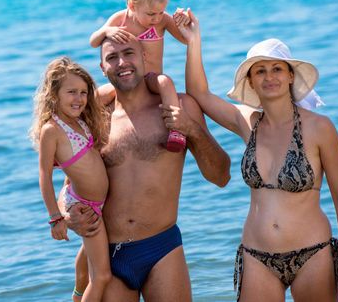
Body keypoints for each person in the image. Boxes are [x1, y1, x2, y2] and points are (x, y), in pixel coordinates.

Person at [180, 10, 338, 302]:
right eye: (260, 71)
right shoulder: (249, 124)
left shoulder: (320, 128)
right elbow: (200, 94)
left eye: (277, 69)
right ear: (251, 82)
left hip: (313, 253)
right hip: (257, 257)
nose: (269, 77)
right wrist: (193, 40)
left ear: (290, 75)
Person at [63, 35, 231, 301]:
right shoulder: (93, 121)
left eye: (129, 53)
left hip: (162, 249)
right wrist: (67, 213)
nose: (122, 63)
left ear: (144, 57)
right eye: (111, 58)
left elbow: (220, 176)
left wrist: (191, 130)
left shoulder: (179, 106)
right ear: (102, 69)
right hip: (109, 255)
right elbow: (70, 187)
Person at [29, 57, 111, 302]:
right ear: (54, 94)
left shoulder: (79, 121)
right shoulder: (51, 130)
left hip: (95, 202)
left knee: (87, 259)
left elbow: (108, 91)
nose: (79, 99)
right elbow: (44, 175)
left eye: (83, 92)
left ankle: (76, 295)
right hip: (86, 208)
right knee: (102, 277)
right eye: (71, 92)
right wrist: (56, 218)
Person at [90, 0, 190, 152]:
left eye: (161, 11)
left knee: (166, 82)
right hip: (127, 81)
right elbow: (93, 41)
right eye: (151, 14)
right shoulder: (120, 19)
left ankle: (176, 131)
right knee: (96, 96)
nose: (157, 18)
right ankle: (78, 134)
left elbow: (186, 39)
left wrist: (183, 22)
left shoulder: (163, 21)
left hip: (150, 80)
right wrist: (106, 32)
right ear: (132, 6)